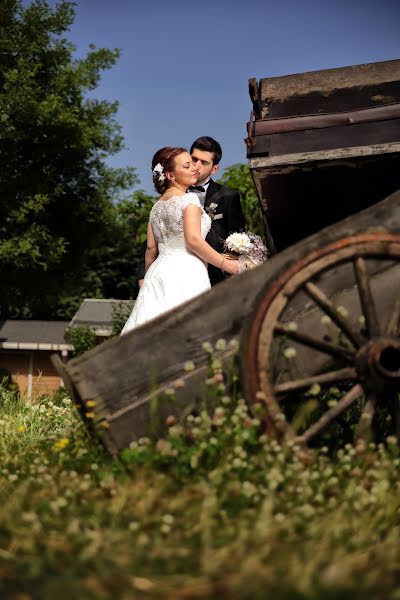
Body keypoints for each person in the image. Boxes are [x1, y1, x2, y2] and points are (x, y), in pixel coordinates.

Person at [121, 147, 239, 334]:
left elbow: (151, 248)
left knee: (152, 330)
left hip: (158, 273)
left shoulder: (156, 207)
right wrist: (226, 264)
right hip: (187, 272)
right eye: (187, 165)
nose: (194, 168)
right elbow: (193, 240)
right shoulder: (189, 200)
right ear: (170, 175)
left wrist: (149, 279)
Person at [189, 136, 245, 285]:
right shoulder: (173, 194)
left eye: (204, 162)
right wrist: (143, 275)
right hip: (178, 274)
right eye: (194, 159)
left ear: (214, 169)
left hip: (216, 278)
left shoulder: (228, 196)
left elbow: (237, 237)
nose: (197, 165)